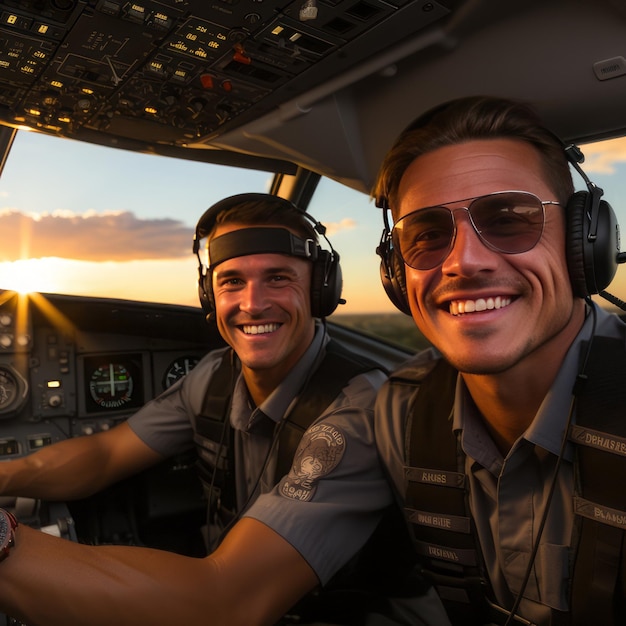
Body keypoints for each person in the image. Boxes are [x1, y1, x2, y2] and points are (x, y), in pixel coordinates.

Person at [0, 193, 445, 625]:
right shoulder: (214, 374)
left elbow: (227, 603)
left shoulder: (358, 408)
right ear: (209, 295)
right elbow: (106, 455)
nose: (253, 304)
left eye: (278, 277)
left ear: (321, 288)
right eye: (232, 281)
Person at [372, 95, 626, 626]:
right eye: (428, 236)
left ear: (586, 243)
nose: (464, 261)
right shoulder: (393, 414)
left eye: (509, 220)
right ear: (398, 275)